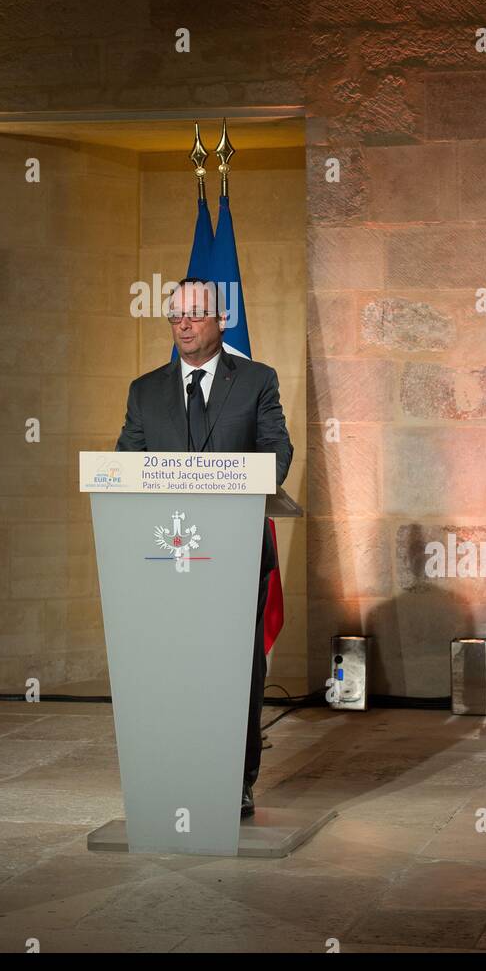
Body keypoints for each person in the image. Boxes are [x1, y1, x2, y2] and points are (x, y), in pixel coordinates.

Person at [115, 276, 293, 817]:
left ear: (222, 320)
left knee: (237, 672)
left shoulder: (257, 380)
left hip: (235, 552)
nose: (184, 324)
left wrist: (241, 489)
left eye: (195, 314)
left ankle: (235, 780)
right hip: (164, 557)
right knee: (171, 668)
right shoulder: (144, 391)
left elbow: (276, 450)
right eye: (175, 316)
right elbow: (124, 465)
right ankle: (172, 773)